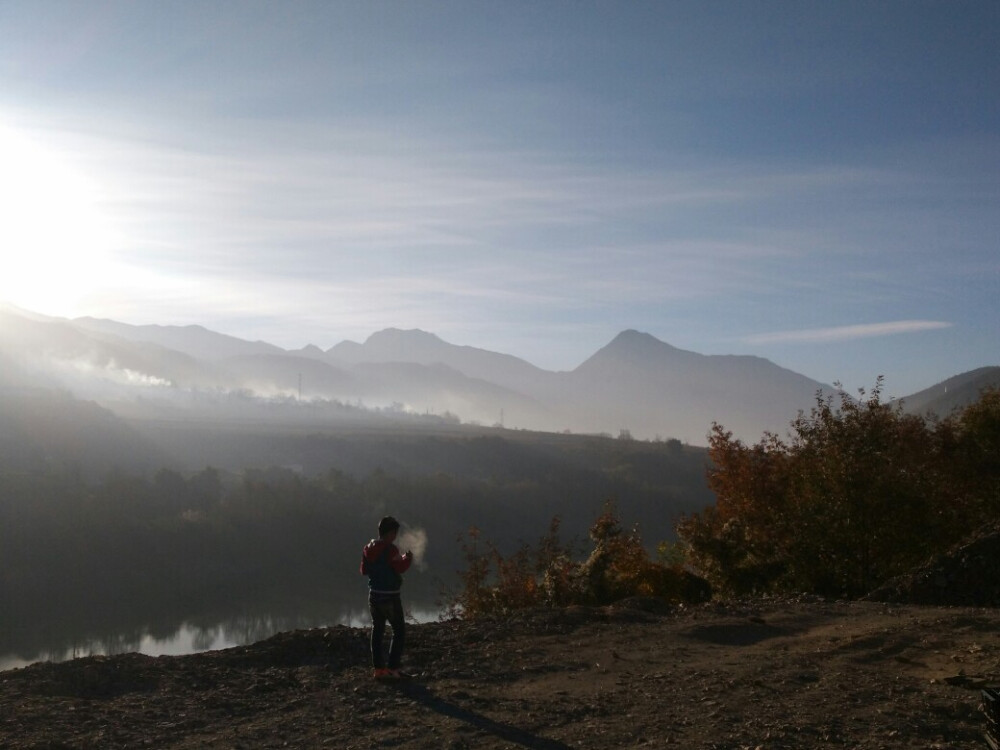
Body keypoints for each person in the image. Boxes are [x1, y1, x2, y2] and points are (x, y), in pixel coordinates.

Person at [360, 516, 413, 679]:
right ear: (390, 533)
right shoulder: (391, 550)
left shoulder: (368, 548)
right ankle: (393, 668)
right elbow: (400, 567)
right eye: (395, 533)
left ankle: (379, 670)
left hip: (374, 596)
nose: (396, 536)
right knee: (399, 631)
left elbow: (364, 570)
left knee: (378, 630)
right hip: (390, 597)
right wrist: (408, 558)